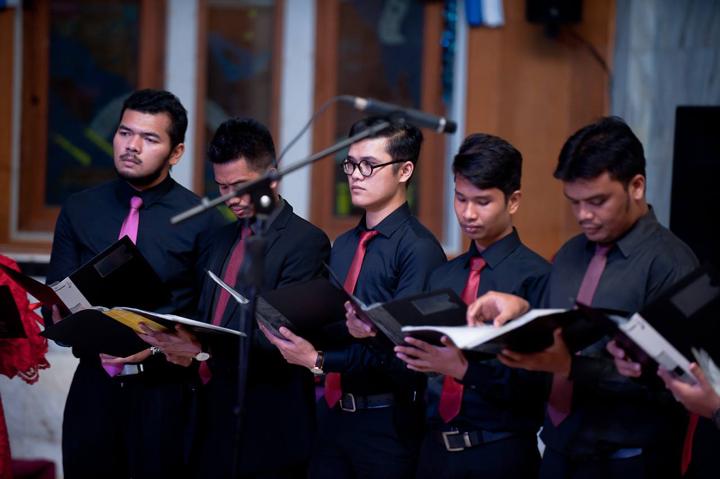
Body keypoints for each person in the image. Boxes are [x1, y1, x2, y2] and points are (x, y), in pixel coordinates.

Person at [468, 117, 698, 478]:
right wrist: (521, 311)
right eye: (574, 202)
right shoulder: (570, 253)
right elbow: (560, 327)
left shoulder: (673, 264)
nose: (583, 216)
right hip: (558, 452)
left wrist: (571, 368)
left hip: (628, 463)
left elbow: (677, 385)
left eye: (597, 201)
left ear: (636, 186)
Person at [45, 89, 226, 479]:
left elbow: (209, 319)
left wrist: (163, 348)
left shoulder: (204, 220)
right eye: (125, 133)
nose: (132, 146)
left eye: (149, 138)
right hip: (93, 389)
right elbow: (54, 300)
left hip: (166, 393)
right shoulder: (80, 209)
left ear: (176, 153)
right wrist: (58, 317)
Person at [139, 117, 331, 478]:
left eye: (241, 186)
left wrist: (201, 349)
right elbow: (205, 316)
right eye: (222, 187)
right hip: (210, 416)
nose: (232, 199)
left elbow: (279, 339)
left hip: (269, 423)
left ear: (271, 177)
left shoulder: (306, 242)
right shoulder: (219, 238)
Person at [261, 117, 446, 478]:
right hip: (331, 416)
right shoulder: (344, 244)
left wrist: (318, 359)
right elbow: (335, 325)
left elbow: (405, 355)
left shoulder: (419, 250)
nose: (356, 175)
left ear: (405, 170)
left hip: (386, 423)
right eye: (350, 164)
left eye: (369, 165)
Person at [392, 133, 550, 478]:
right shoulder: (443, 275)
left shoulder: (537, 277)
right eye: (460, 198)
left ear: (513, 201)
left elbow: (537, 386)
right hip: (434, 451)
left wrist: (463, 370)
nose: (467, 213)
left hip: (499, 453)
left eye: (482, 202)